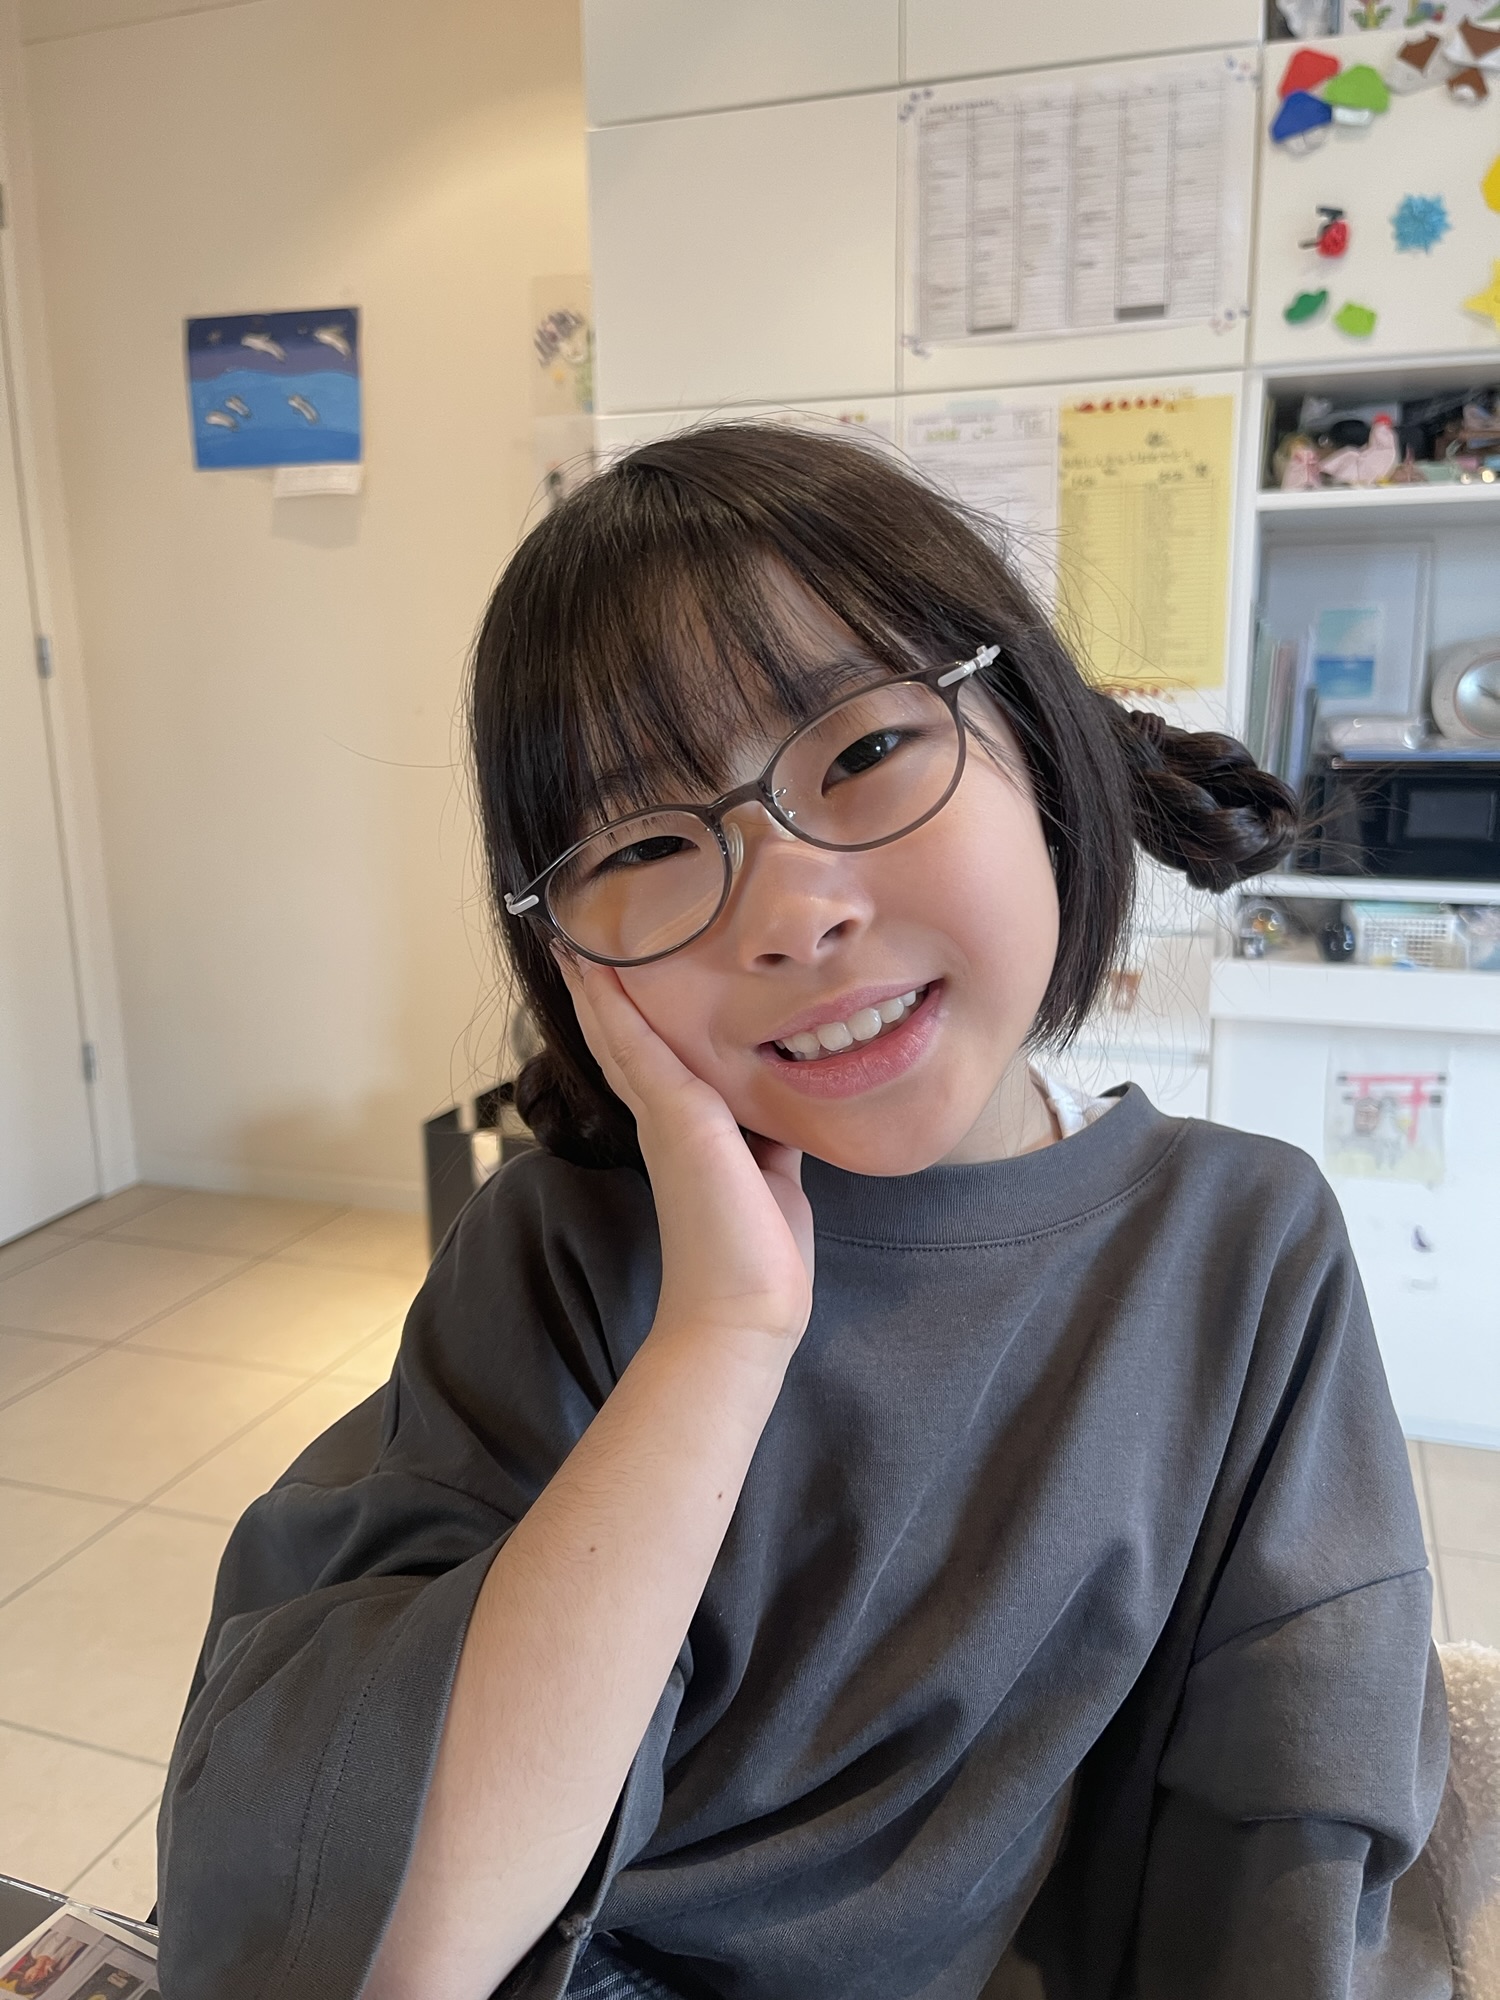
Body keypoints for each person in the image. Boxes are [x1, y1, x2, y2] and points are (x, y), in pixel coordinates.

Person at [156, 425, 1450, 2000]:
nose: (794, 913)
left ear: (1038, 734)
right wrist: (723, 1334)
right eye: (646, 844)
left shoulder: (1240, 1249)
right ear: (567, 952)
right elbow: (380, 1933)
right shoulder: (559, 1249)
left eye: (863, 751)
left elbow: (1289, 1821)